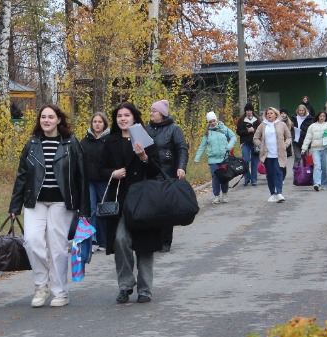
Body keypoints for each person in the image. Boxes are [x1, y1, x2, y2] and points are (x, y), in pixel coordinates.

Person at [9, 104, 89, 308]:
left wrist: (84, 208)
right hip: (34, 201)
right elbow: (22, 176)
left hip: (61, 202)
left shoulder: (71, 143)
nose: (46, 120)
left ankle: (60, 292)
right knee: (32, 241)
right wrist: (14, 205)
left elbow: (81, 176)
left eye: (50, 117)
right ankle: (41, 286)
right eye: (43, 117)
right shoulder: (32, 144)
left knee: (57, 248)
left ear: (58, 120)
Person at [99, 102, 162, 304]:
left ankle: (145, 290)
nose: (123, 118)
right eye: (119, 116)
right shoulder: (110, 141)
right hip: (120, 200)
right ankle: (125, 285)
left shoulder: (146, 139)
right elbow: (99, 170)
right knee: (120, 240)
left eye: (127, 115)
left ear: (134, 118)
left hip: (144, 200)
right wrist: (112, 173)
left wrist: (144, 157)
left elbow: (156, 171)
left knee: (145, 245)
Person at [147, 99, 189, 252]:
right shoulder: (147, 129)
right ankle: (153, 240)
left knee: (165, 208)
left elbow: (182, 149)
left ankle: (165, 241)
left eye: (154, 111)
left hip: (167, 172)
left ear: (162, 114)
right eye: (151, 110)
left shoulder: (174, 129)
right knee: (152, 208)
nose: (151, 113)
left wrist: (181, 167)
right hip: (150, 172)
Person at [81, 112, 110, 254]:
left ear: (104, 124)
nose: (97, 124)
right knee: (90, 209)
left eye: (100, 122)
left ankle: (104, 240)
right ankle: (92, 240)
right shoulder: (85, 142)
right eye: (95, 122)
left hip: (104, 180)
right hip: (89, 181)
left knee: (103, 209)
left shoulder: (109, 140)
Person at [194, 111, 237, 204]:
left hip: (224, 157)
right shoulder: (207, 133)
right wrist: (197, 158)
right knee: (215, 177)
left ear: (216, 120)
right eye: (210, 122)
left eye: (214, 121)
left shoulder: (224, 128)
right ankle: (216, 196)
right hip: (213, 159)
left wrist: (229, 147)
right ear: (208, 123)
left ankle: (225, 194)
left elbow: (233, 137)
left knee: (224, 176)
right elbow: (202, 146)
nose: (212, 123)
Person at [253, 107, 291, 202]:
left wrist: (285, 145)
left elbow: (288, 137)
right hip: (267, 154)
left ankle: (279, 192)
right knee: (270, 174)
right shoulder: (262, 125)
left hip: (278, 153)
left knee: (278, 172)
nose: (269, 115)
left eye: (271, 113)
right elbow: (255, 138)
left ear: (276, 115)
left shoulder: (281, 124)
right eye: (268, 113)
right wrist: (261, 145)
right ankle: (272, 193)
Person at [301, 110, 327, 191]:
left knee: (325, 167)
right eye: (320, 116)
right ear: (318, 117)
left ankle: (324, 184)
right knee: (317, 166)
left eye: (324, 116)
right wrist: (304, 148)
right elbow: (308, 138)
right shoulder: (312, 126)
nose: (322, 118)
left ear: (326, 117)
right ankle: (317, 183)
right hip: (315, 149)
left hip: (325, 149)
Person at [236, 103, 261, 186]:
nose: (249, 112)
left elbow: (261, 131)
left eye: (250, 110)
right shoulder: (241, 120)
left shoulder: (257, 120)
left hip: (255, 143)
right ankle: (247, 177)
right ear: (245, 111)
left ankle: (254, 180)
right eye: (247, 110)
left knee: (255, 162)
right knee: (245, 160)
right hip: (245, 143)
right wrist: (247, 131)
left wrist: (254, 130)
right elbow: (238, 132)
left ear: (252, 111)